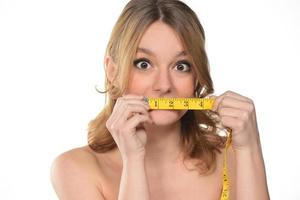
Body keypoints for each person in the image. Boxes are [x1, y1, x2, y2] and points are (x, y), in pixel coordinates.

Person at [50, 0, 270, 199]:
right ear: (112, 70)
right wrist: (133, 161)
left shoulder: (231, 157)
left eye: (181, 66)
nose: (164, 85)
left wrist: (250, 147)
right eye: (143, 64)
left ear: (196, 76)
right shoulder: (75, 169)